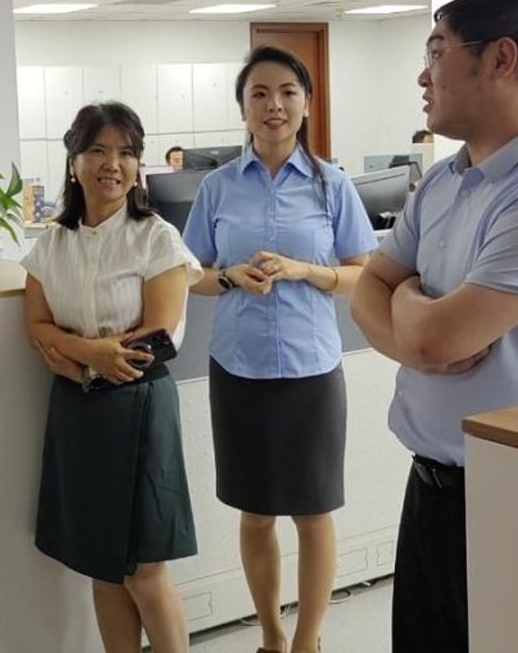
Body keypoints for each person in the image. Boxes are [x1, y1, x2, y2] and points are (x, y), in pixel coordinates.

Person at [350, 0, 518, 653]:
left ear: (500, 59)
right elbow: (368, 292)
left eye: (436, 51)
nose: (423, 75)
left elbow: (435, 335)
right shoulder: (445, 181)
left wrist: (410, 308)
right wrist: (417, 326)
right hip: (431, 490)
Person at [182, 46, 377, 653]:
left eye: (288, 92)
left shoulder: (332, 185)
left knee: (314, 514)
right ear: (242, 107)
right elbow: (190, 274)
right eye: (259, 93)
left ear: (307, 103)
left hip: (310, 368)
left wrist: (303, 270)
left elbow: (363, 274)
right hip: (238, 368)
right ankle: (271, 635)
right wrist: (231, 277)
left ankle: (307, 641)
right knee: (256, 512)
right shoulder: (216, 187)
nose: (275, 105)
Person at [22, 101, 201, 653]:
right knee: (101, 564)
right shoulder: (52, 244)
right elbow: (37, 326)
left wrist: (78, 356)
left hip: (138, 406)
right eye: (97, 150)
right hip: (80, 411)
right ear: (73, 161)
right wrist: (88, 354)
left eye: (126, 152)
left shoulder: (156, 238)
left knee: (145, 570)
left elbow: (156, 336)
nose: (112, 164)